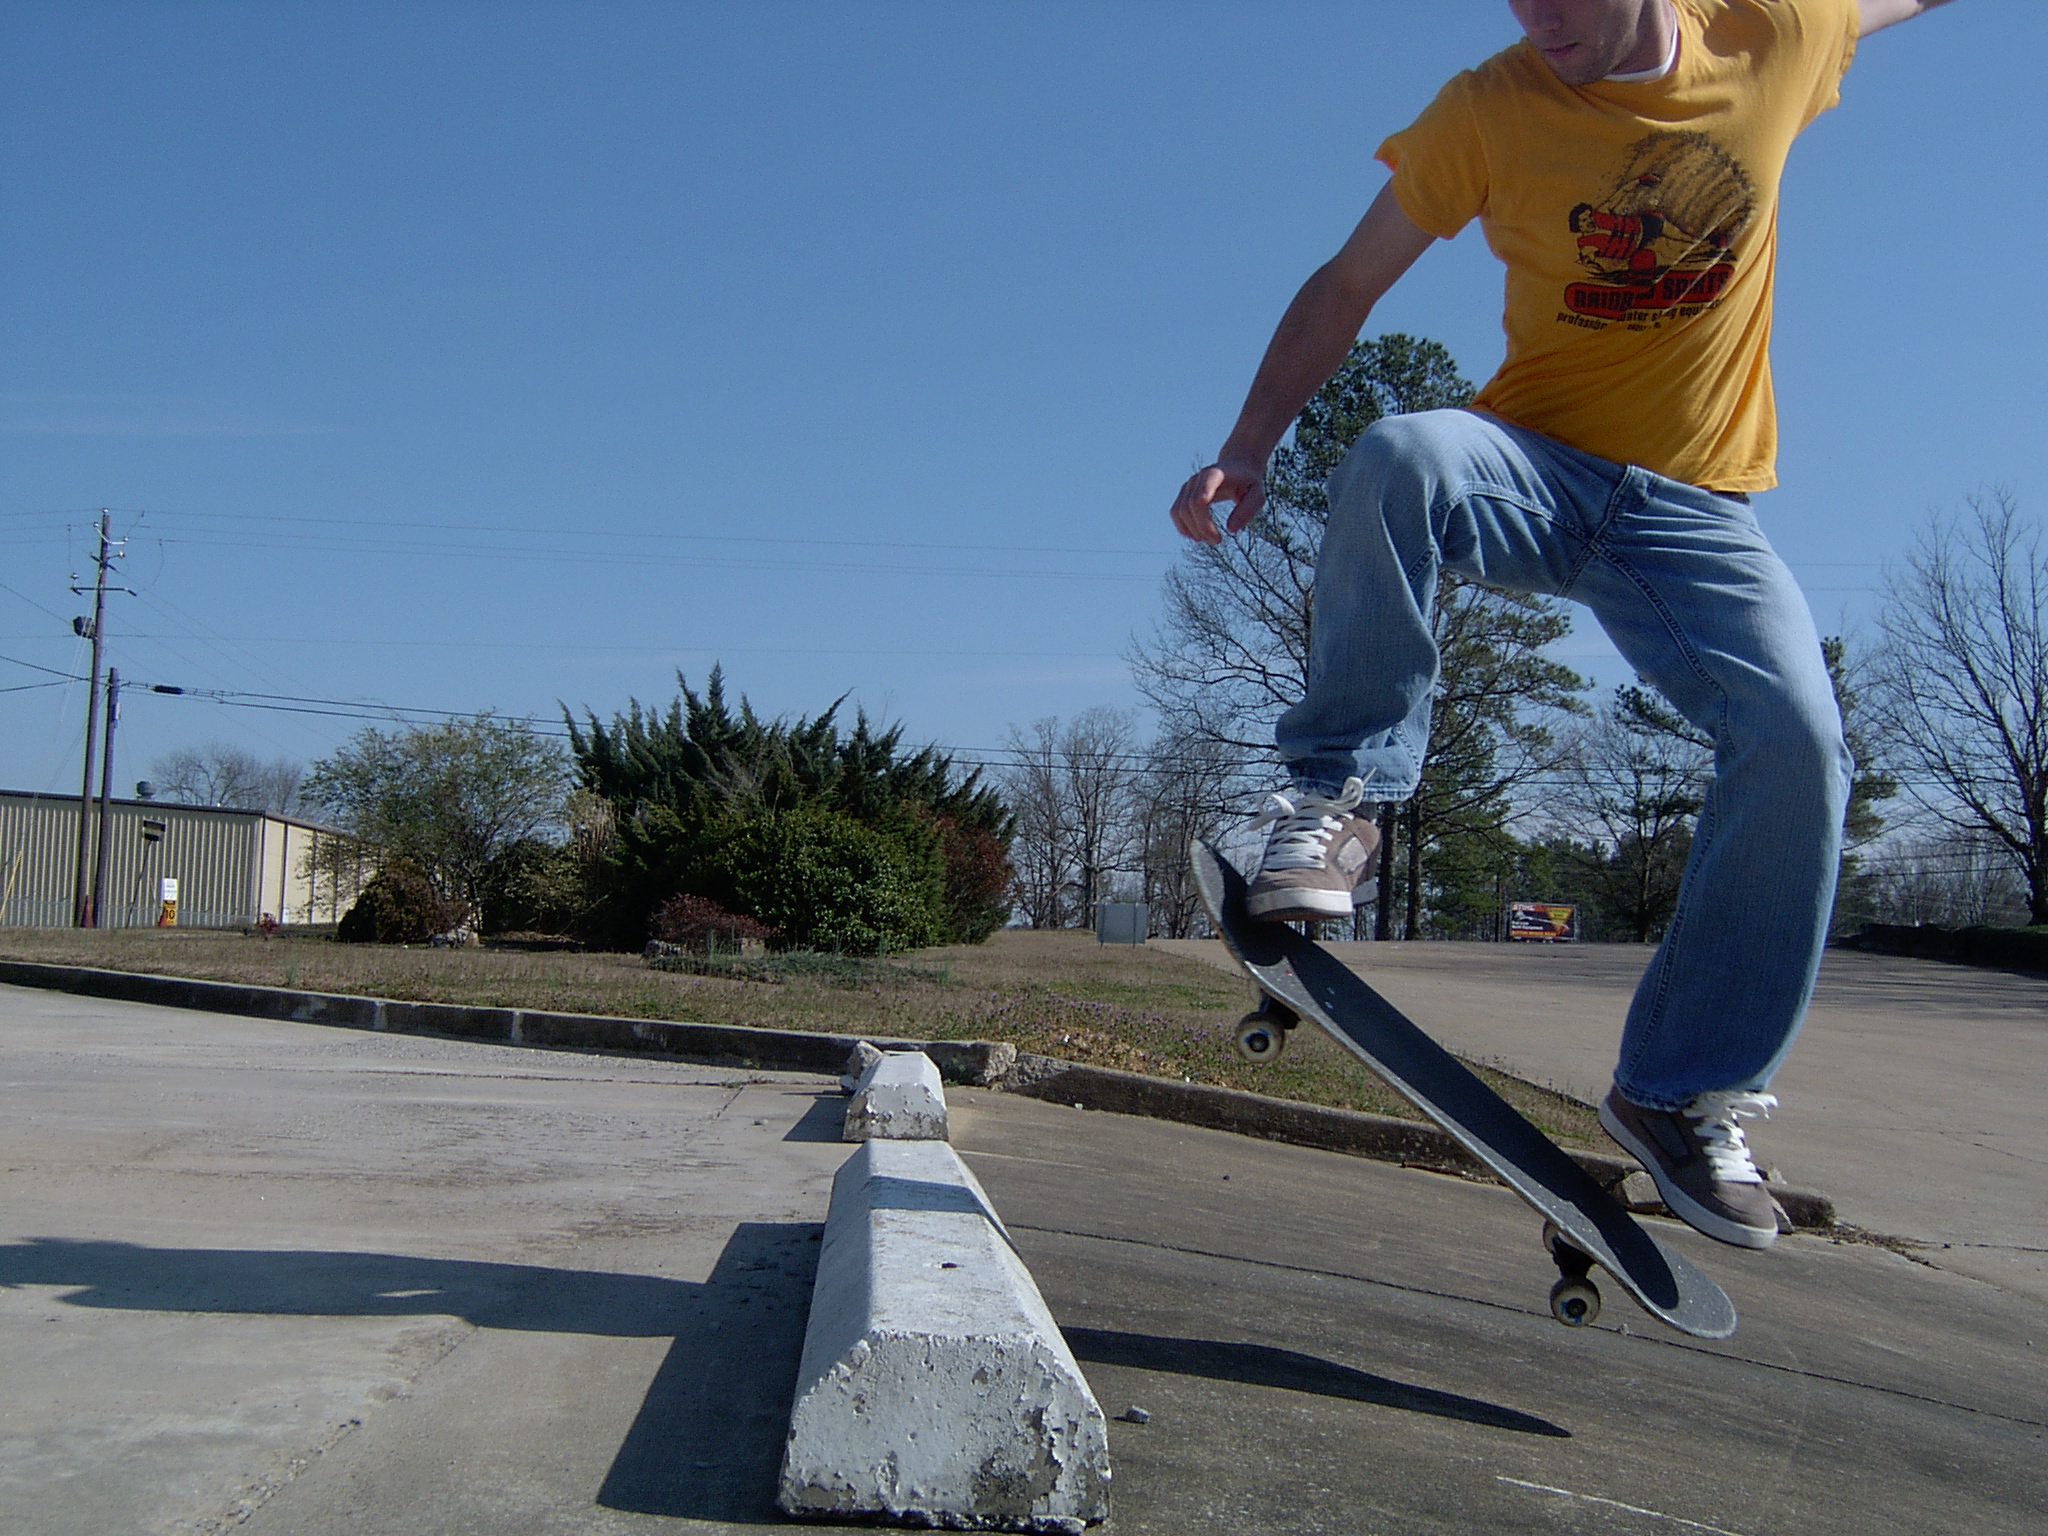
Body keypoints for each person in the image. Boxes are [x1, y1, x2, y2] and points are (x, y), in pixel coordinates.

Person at [1168, 0, 1958, 1250]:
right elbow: (1346, 280)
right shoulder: (1487, 106)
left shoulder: (1776, 33)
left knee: (1798, 740)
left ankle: (1678, 1093)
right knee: (1398, 454)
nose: (1540, 20)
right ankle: (1334, 798)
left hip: (1697, 512)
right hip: (1531, 470)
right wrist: (1245, 447)